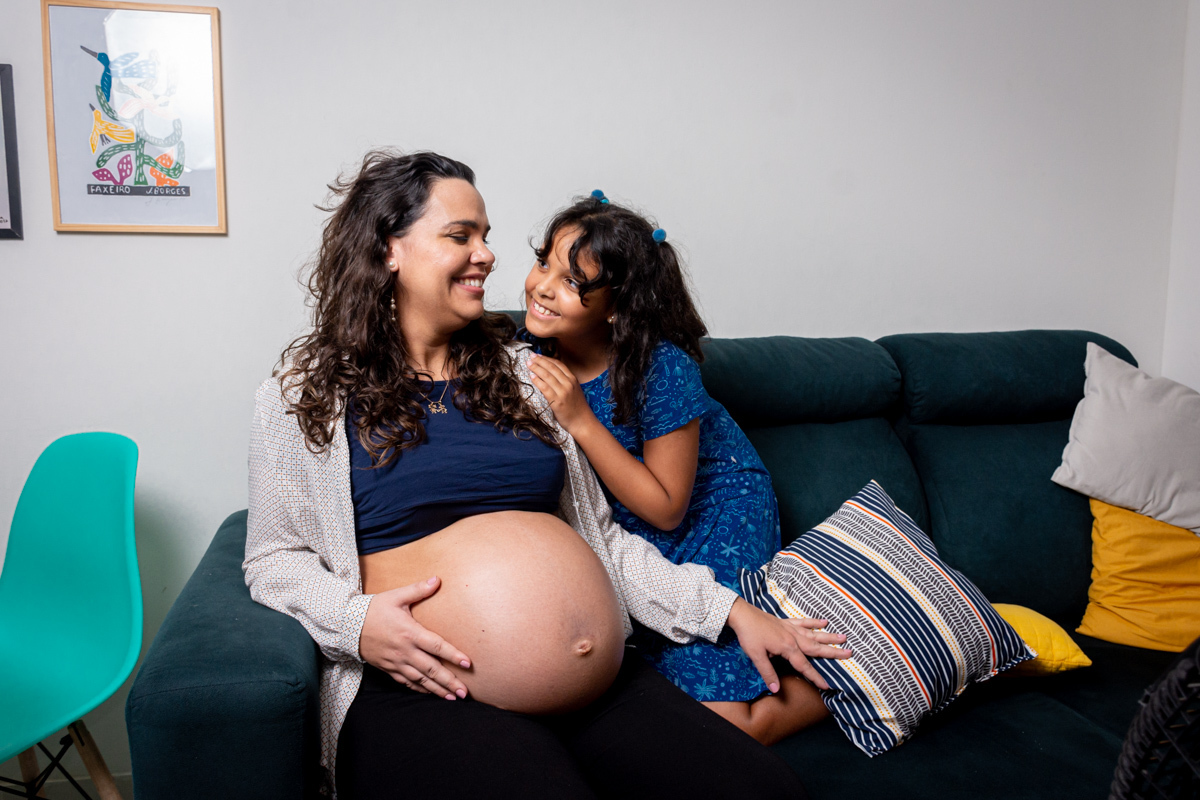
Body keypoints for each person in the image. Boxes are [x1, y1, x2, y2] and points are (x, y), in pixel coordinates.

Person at [243, 150, 848, 799]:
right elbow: (274, 559)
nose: (487, 255)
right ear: (389, 249)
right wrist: (356, 621)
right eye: (459, 236)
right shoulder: (305, 396)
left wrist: (728, 610)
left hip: (604, 693)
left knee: (766, 793)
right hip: (427, 692)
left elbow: (605, 541)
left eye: (486, 235)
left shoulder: (526, 377)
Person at [524, 191, 848, 745]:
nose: (544, 286)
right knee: (634, 689)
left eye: (574, 283)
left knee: (718, 719)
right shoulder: (531, 348)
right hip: (625, 530)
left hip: (709, 512)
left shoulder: (661, 367)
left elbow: (669, 508)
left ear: (617, 307)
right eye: (543, 261)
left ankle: (848, 684)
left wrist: (580, 419)